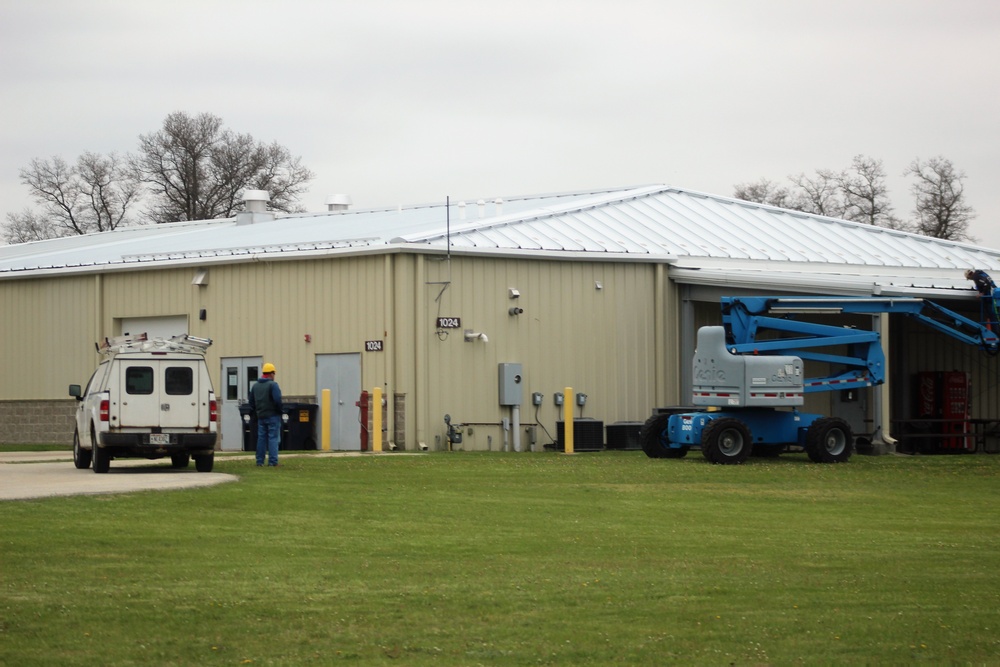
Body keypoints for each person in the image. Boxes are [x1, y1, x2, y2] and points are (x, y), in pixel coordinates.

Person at [249, 362, 283, 467]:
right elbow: (277, 400)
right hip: (273, 415)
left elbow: (251, 402)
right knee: (273, 438)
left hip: (261, 416)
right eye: (274, 374)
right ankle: (273, 462)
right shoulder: (273, 385)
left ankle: (260, 461)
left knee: (261, 438)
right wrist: (280, 411)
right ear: (271, 374)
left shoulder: (255, 386)